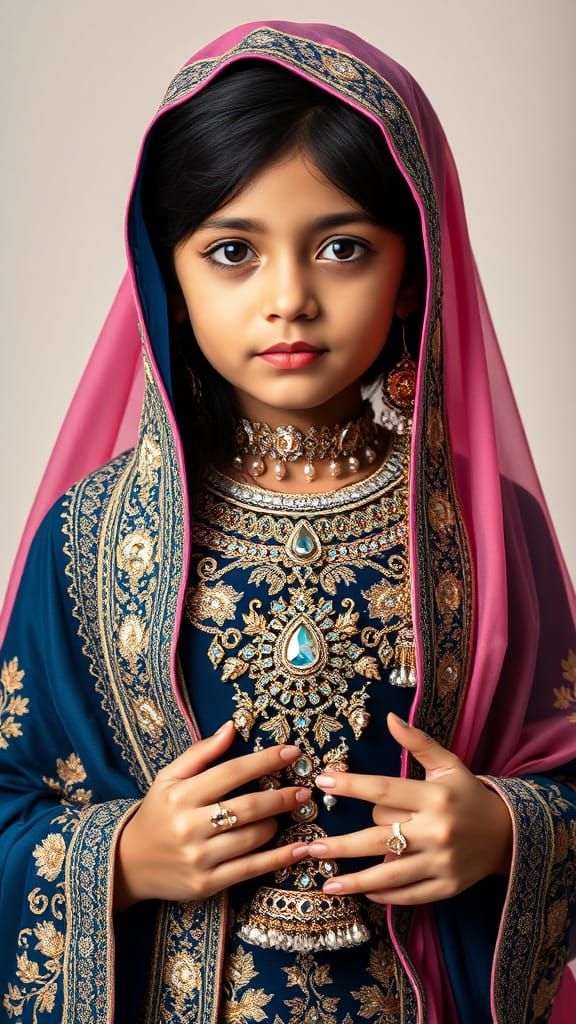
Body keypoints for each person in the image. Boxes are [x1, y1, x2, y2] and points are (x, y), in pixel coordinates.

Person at [1, 18, 575, 1024]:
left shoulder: (487, 532)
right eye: (231, 251)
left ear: (411, 272)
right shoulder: (89, 543)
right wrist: (122, 856)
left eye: (343, 247)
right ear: (166, 276)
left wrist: (502, 828)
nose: (289, 299)